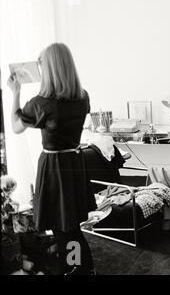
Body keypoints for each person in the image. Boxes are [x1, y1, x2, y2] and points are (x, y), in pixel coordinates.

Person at [7, 43, 95, 275]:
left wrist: (15, 93)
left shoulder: (42, 103)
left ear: (50, 69)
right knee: (71, 227)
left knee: (63, 230)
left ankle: (77, 268)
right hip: (75, 163)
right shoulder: (83, 97)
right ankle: (81, 267)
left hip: (55, 168)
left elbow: (16, 127)